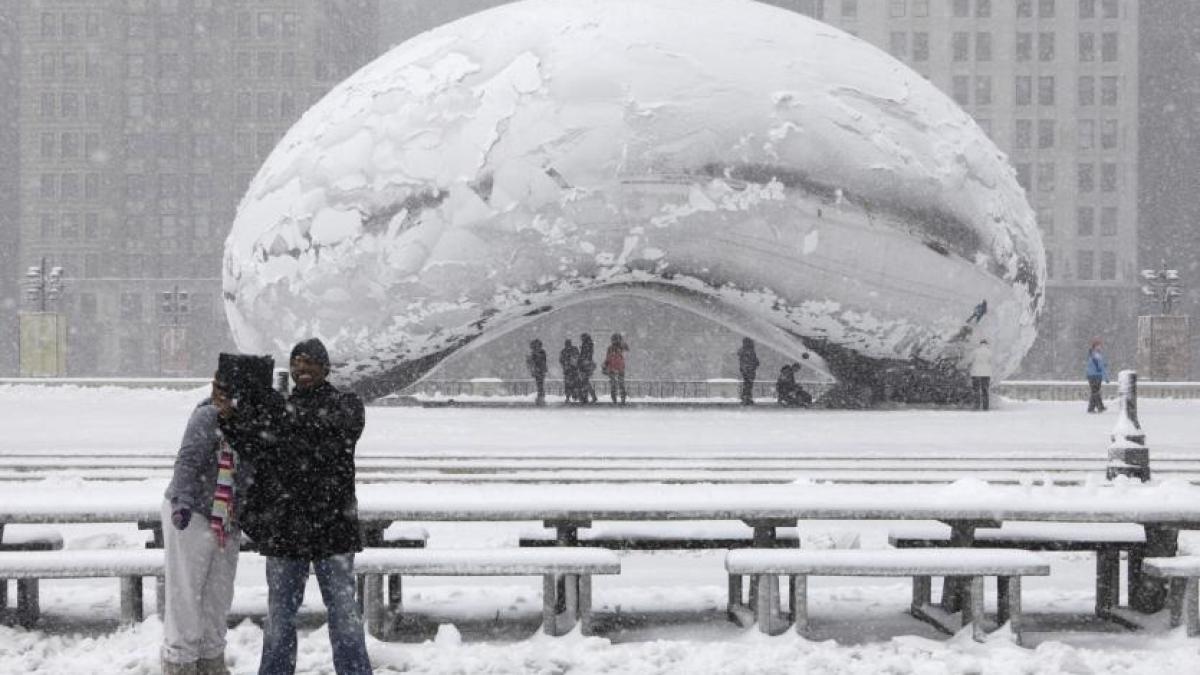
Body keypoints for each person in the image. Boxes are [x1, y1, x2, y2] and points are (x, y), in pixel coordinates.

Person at [231, 338, 372, 675]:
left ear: (325, 368)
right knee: (280, 616)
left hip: (331, 528)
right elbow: (252, 445)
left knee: (343, 614)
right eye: (296, 363)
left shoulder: (346, 405)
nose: (302, 369)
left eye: (310, 363)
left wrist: (271, 409)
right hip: (286, 530)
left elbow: (321, 433)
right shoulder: (280, 410)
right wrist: (231, 414)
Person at [161, 353, 275, 675]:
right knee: (185, 595)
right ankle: (180, 662)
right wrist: (182, 503)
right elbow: (187, 461)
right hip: (193, 514)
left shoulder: (254, 423)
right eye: (216, 386)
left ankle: (212, 660)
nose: (218, 394)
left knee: (217, 597)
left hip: (227, 520)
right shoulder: (206, 417)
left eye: (225, 388)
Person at [602, 333, 629, 405]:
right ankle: (619, 399)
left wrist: (605, 365)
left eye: (615, 339)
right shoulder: (612, 348)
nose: (614, 341)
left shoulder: (619, 347)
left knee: (616, 385)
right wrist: (605, 365)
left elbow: (607, 358)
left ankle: (617, 399)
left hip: (616, 369)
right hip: (617, 369)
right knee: (618, 384)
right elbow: (608, 358)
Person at [968, 338, 993, 411]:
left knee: (976, 390)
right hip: (986, 373)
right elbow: (991, 362)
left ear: (980, 344)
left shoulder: (975, 351)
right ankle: (985, 407)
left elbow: (970, 360)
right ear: (986, 344)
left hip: (976, 373)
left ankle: (977, 406)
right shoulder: (989, 352)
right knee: (985, 390)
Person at [1086, 338, 1109, 413]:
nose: (1099, 347)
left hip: (1096, 376)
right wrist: (1106, 377)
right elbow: (1101, 366)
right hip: (1094, 376)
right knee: (1095, 392)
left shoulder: (1094, 354)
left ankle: (1097, 407)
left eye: (1099, 345)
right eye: (1097, 345)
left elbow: (1101, 366)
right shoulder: (1095, 355)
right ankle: (1094, 408)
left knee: (1095, 392)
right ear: (1094, 346)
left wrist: (1105, 376)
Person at [737, 337, 759, 405]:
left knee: (747, 384)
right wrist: (754, 365)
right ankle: (747, 398)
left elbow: (743, 361)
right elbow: (754, 360)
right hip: (749, 370)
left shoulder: (743, 351)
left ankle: (746, 397)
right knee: (748, 385)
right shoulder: (749, 351)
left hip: (746, 370)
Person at [577, 333, 598, 404]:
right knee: (585, 382)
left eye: (582, 338)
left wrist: (580, 361)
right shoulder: (589, 345)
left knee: (584, 382)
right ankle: (588, 397)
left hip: (584, 365)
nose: (581, 339)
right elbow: (588, 355)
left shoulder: (586, 345)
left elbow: (584, 355)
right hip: (587, 365)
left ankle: (587, 397)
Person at [526, 339, 548, 405]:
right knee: (540, 384)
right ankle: (541, 397)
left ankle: (541, 397)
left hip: (539, 370)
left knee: (540, 384)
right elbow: (543, 361)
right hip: (540, 370)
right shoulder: (541, 352)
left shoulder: (538, 352)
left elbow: (540, 361)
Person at [559, 339, 580, 403]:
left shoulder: (563, 351)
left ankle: (568, 396)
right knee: (574, 384)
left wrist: (565, 364)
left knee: (568, 384)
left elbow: (561, 360)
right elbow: (578, 358)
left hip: (567, 370)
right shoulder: (574, 349)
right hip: (574, 370)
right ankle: (574, 396)